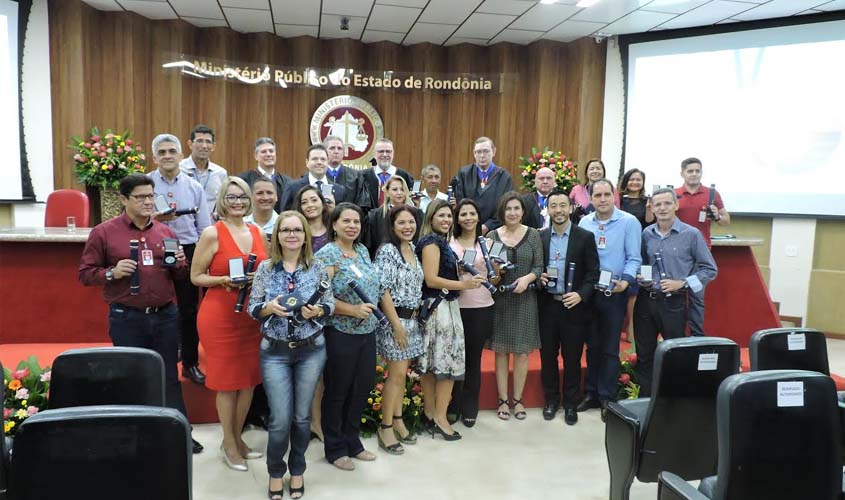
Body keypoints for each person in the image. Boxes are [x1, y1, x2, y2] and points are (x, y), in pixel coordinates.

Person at [78, 173, 203, 454]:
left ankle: (179, 433)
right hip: (127, 317)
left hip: (165, 315)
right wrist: (112, 272)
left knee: (169, 375)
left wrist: (181, 263)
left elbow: (179, 274)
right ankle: (134, 436)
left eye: (151, 195)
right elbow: (85, 274)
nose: (149, 202)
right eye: (141, 197)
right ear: (123, 199)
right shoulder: (104, 232)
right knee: (130, 375)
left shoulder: (166, 232)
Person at [248, 211, 334, 500]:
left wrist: (319, 310)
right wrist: (268, 307)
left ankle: (297, 469)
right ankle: (275, 472)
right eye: (286, 230)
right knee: (280, 419)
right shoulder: (265, 269)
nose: (292, 234)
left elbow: (330, 305)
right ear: (277, 236)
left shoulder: (318, 267)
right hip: (275, 352)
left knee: (301, 418)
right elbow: (252, 309)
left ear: (305, 235)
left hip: (312, 350)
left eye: (297, 229)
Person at [191, 176, 267, 471]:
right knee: (227, 382)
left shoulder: (258, 231)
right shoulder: (212, 233)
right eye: (232, 197)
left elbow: (267, 270)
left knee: (247, 380)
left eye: (243, 198)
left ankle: (237, 438)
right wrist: (224, 279)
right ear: (223, 200)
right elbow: (196, 277)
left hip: (251, 316)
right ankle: (229, 443)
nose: (238, 202)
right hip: (220, 315)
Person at [314, 203, 379, 471]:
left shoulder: (362, 250)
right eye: (347, 221)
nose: (353, 226)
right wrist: (352, 310)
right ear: (334, 224)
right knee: (338, 391)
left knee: (361, 388)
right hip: (340, 332)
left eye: (357, 222)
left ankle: (353, 441)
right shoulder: (327, 255)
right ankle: (335, 447)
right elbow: (322, 296)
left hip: (368, 331)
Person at [635, 188, 717, 397]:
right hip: (646, 302)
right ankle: (646, 400)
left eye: (667, 204)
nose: (662, 208)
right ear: (652, 208)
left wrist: (682, 283)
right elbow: (644, 264)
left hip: (674, 303)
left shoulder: (691, 234)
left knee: (675, 354)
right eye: (658, 204)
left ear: (676, 205)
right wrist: (642, 278)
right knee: (644, 356)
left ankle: (672, 399)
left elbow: (709, 270)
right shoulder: (646, 234)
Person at [416, 199, 485, 440]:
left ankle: (431, 413)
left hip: (445, 307)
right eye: (441, 216)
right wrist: (463, 284)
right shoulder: (431, 242)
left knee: (435, 365)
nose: (446, 220)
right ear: (431, 218)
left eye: (449, 216)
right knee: (445, 366)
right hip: (440, 309)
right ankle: (440, 418)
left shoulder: (441, 242)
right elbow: (431, 279)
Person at [148, 133, 212, 387]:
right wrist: (154, 219)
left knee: (188, 309)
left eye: (171, 151)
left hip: (186, 248)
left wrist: (203, 257)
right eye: (161, 152)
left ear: (180, 155)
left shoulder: (194, 187)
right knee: (158, 307)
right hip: (154, 247)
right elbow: (132, 221)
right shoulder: (146, 185)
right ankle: (156, 361)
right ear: (154, 157)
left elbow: (205, 227)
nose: (167, 156)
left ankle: (190, 363)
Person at [577, 179, 642, 421]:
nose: (602, 199)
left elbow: (634, 257)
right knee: (592, 345)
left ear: (614, 196)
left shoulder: (628, 222)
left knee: (610, 348)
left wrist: (625, 281)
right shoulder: (585, 222)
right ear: (591, 198)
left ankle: (607, 397)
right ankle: (591, 393)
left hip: (614, 292)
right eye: (598, 195)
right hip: (590, 293)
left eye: (607, 194)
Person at [536, 191, 599, 425]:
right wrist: (538, 278)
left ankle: (571, 403)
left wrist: (581, 295)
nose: (558, 210)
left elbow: (593, 273)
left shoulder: (585, 237)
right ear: (548, 209)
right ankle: (551, 400)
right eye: (554, 206)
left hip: (574, 307)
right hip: (547, 306)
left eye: (563, 205)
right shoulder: (540, 237)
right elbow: (534, 269)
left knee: (572, 358)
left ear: (571, 207)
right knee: (548, 357)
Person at [373, 206, 425, 455]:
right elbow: (382, 290)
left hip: (412, 321)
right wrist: (396, 326)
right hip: (396, 322)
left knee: (401, 376)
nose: (407, 226)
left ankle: (397, 420)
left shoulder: (412, 248)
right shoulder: (387, 251)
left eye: (411, 222)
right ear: (392, 226)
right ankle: (385, 427)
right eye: (401, 222)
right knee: (395, 376)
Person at [486, 192, 542, 421]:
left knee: (521, 353)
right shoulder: (491, 236)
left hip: (525, 300)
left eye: (516, 208)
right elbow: (490, 273)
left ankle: (517, 400)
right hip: (500, 300)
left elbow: (539, 267)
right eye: (508, 209)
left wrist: (528, 279)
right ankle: (502, 400)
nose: (512, 213)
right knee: (500, 352)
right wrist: (496, 273)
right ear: (502, 212)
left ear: (523, 211)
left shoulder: (533, 235)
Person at [448, 199, 499, 427]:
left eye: (472, 213)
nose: (468, 218)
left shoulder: (490, 243)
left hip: (481, 307)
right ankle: (452, 403)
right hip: (454, 307)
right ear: (457, 218)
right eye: (463, 214)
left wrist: (495, 272)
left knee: (473, 360)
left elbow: (497, 277)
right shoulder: (449, 243)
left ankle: (470, 405)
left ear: (478, 217)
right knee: (454, 357)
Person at [292, 184, 333, 442]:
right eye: (305, 202)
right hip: (303, 307)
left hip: (332, 305)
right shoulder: (296, 232)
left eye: (314, 200)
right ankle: (306, 422)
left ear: (322, 202)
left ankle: (321, 421)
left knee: (325, 369)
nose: (310, 205)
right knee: (307, 369)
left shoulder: (334, 229)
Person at [674, 157, 730, 337]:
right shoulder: (674, 194)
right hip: (677, 253)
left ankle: (697, 337)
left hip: (701, 254)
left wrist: (717, 216)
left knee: (697, 297)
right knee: (676, 296)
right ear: (682, 173)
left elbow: (726, 221)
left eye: (697, 171)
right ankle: (677, 336)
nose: (694, 174)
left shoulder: (712, 194)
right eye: (690, 171)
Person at [618, 168, 654, 343]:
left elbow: (649, 222)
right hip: (619, 248)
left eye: (638, 180)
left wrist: (649, 208)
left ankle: (631, 329)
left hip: (640, 249)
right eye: (631, 179)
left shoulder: (648, 201)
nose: (634, 183)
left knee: (636, 291)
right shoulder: (618, 199)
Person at [452, 136, 514, 233]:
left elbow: (506, 206)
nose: (482, 155)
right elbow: (460, 202)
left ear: (493, 152)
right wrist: (470, 224)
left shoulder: (504, 177)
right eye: (478, 152)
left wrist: (487, 226)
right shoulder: (464, 174)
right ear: (474, 153)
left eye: (486, 151)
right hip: (467, 229)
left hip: (495, 231)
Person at [363, 175, 421, 258]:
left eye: (402, 189)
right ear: (387, 192)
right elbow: (369, 245)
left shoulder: (417, 214)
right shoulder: (374, 216)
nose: (399, 193)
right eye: (395, 189)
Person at [279, 144, 348, 211]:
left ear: (327, 162)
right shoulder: (293, 187)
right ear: (307, 162)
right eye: (315, 159)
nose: (319, 162)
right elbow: (285, 215)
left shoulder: (339, 190)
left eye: (323, 159)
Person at [180, 124, 227, 213]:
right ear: (190, 144)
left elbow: (223, 202)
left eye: (208, 142)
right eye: (200, 141)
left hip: (211, 224)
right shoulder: (179, 169)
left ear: (213, 146)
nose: (204, 146)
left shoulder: (221, 173)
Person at [361, 138, 414, 210]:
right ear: (374, 154)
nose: (385, 154)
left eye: (388, 151)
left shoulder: (405, 176)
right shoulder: (363, 176)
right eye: (381, 151)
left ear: (393, 153)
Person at [240, 137, 290, 213]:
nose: (268, 154)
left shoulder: (287, 182)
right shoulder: (243, 181)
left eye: (271, 151)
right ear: (256, 156)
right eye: (264, 152)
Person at [324, 135, 372, 211]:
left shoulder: (356, 176)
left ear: (343, 152)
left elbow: (362, 204)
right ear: (324, 152)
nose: (336, 151)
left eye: (339, 148)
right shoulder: (317, 175)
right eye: (332, 148)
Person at [244, 177, 279, 243]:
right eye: (260, 193)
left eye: (269, 193)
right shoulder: (242, 224)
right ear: (251, 197)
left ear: (276, 197)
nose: (265, 197)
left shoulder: (283, 225)